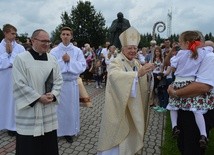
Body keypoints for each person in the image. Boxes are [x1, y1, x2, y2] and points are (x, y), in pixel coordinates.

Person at [97, 26, 155, 155]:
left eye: (135, 48)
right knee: (118, 137)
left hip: (133, 106)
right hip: (119, 107)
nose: (133, 50)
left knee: (131, 134)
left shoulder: (136, 63)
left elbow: (142, 78)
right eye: (130, 48)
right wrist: (137, 75)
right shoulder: (116, 61)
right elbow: (113, 76)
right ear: (123, 49)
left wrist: (148, 74)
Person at [12, 29, 63, 155]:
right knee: (29, 148)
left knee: (48, 146)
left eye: (48, 41)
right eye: (43, 41)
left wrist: (53, 94)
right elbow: (18, 84)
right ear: (33, 40)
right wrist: (38, 98)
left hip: (48, 109)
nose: (47, 44)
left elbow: (58, 80)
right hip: (30, 112)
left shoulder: (52, 59)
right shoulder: (21, 59)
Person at [167, 34, 214, 154]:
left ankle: (202, 135)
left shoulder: (209, 57)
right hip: (184, 103)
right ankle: (178, 128)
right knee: (184, 144)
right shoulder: (195, 54)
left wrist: (175, 92)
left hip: (195, 100)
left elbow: (203, 86)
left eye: (180, 42)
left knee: (192, 147)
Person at [50, 27, 86, 143]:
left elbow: (82, 66)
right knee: (58, 109)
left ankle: (69, 132)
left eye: (68, 34)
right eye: (63, 34)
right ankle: (58, 131)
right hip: (59, 85)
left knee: (71, 109)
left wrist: (70, 61)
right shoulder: (54, 51)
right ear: (60, 36)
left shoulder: (77, 51)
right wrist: (62, 61)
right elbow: (51, 66)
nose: (65, 36)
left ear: (71, 36)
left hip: (71, 85)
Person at [0, 24, 25, 136]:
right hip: (3, 79)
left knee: (14, 102)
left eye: (15, 33)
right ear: (5, 33)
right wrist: (6, 53)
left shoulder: (20, 48)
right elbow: (1, 64)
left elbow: (23, 63)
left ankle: (13, 126)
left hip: (16, 78)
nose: (15, 35)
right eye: (12, 33)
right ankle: (3, 124)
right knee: (3, 101)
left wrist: (12, 54)